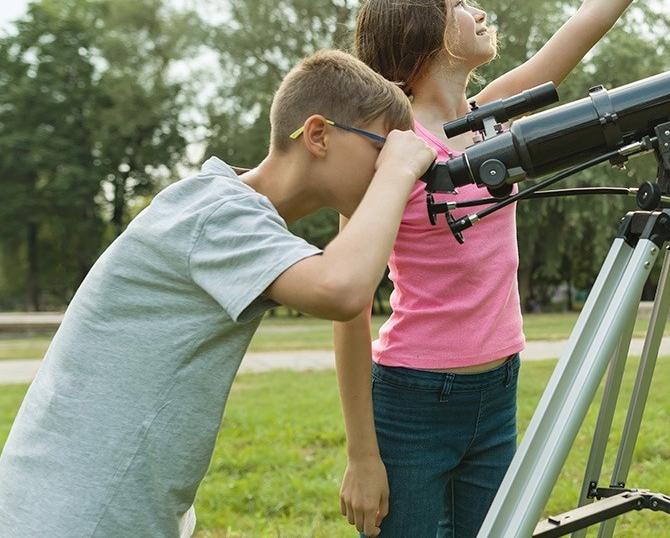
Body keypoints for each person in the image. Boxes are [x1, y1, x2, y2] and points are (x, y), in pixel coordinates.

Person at [334, 0, 670, 537]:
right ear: (424, 35)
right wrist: (361, 455)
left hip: (498, 389)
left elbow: (594, 12)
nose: (478, 10)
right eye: (459, 4)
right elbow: (347, 307)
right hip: (412, 400)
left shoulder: (493, 120)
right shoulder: (385, 155)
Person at [0, 49, 437, 538]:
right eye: (382, 148)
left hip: (91, 506)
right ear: (318, 135)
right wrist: (398, 172)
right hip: (78, 515)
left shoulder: (221, 206)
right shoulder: (214, 213)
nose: (391, 166)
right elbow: (340, 290)